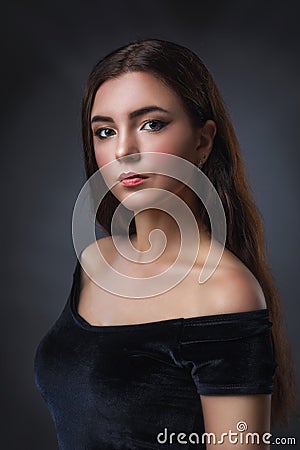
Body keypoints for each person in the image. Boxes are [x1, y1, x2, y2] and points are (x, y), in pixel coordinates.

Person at [34, 39, 295, 449]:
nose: (123, 150)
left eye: (151, 124)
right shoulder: (93, 260)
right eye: (105, 131)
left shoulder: (225, 292)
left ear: (203, 142)